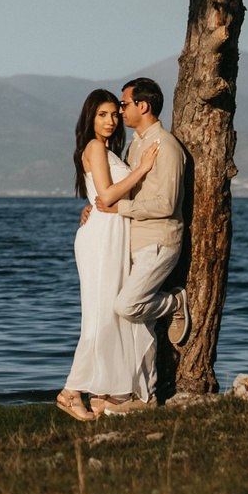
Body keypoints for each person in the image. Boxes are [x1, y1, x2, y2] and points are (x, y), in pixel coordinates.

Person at [57, 90, 149, 419]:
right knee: (98, 320)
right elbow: (108, 196)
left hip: (112, 236)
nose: (110, 121)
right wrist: (143, 169)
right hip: (100, 239)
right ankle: (71, 392)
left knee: (111, 316)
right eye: (102, 115)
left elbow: (100, 194)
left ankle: (103, 395)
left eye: (114, 114)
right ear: (90, 118)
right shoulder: (94, 147)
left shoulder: (109, 150)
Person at [108, 77, 190, 401]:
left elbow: (167, 204)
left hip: (159, 242)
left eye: (124, 104)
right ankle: (145, 396)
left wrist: (120, 209)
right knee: (139, 327)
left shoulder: (167, 146)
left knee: (126, 306)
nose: (120, 110)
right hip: (134, 241)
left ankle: (175, 302)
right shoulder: (136, 145)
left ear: (143, 106)